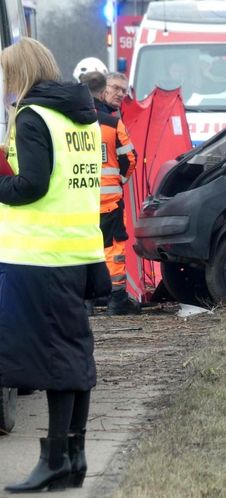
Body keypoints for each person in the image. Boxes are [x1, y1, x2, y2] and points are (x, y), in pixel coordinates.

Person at [0, 39, 108, 492]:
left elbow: (32, 186)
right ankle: (72, 459)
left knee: (55, 362)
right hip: (78, 250)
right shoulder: (80, 115)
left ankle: (57, 460)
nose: (5, 83)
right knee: (74, 356)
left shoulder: (31, 116)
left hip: (40, 256)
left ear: (20, 72)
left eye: (7, 74)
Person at [80, 71, 140, 315]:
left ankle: (85, 302)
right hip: (109, 202)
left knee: (83, 246)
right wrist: (118, 181)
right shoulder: (112, 124)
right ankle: (116, 300)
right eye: (116, 88)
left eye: (124, 91)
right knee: (113, 249)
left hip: (79, 200)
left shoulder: (71, 122)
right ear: (102, 89)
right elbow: (130, 159)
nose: (120, 94)